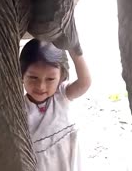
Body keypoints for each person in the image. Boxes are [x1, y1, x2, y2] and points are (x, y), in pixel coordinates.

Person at [20, 38, 92, 171]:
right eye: (33, 77)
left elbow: (84, 82)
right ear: (21, 75)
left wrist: (74, 49)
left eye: (50, 79)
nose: (41, 86)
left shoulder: (62, 95)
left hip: (70, 164)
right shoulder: (19, 108)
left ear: (62, 77)